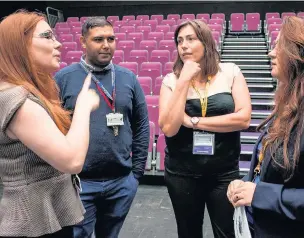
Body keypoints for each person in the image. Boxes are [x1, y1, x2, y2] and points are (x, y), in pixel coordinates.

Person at [0, 10, 100, 238]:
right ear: (20, 44)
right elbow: (72, 161)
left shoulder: (22, 92)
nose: (59, 44)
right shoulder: (19, 100)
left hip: (46, 213)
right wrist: (83, 107)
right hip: (33, 219)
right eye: (47, 36)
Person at [54, 17, 149, 238]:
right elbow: (54, 129)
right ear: (83, 41)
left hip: (121, 183)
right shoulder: (63, 79)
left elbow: (142, 126)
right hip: (79, 184)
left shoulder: (128, 79)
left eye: (111, 38)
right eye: (98, 39)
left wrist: (135, 175)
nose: (106, 44)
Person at [158, 19, 252, 238]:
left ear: (206, 42)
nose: (184, 45)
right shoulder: (171, 80)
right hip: (182, 174)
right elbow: (169, 128)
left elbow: (243, 119)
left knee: (227, 233)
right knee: (188, 233)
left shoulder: (230, 72)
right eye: (180, 41)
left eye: (191, 39)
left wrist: (192, 122)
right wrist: (183, 81)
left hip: (224, 172)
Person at [227, 16, 304, 238]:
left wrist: (260, 194)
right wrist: (245, 184)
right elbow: (271, 169)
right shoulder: (287, 106)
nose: (271, 53)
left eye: (279, 46)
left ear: (298, 55)